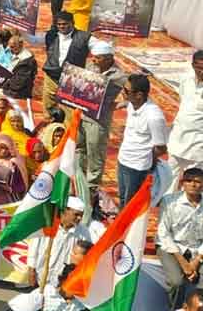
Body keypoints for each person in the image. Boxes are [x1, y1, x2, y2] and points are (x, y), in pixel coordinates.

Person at [80, 40, 126, 191]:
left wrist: (117, 105)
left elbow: (127, 97)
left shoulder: (118, 76)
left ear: (108, 59)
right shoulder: (90, 66)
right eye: (93, 57)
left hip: (98, 121)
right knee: (79, 150)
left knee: (95, 155)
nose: (93, 60)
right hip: (81, 115)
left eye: (97, 58)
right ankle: (78, 180)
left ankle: (91, 188)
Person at [117, 73, 169, 206]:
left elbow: (161, 148)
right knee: (122, 199)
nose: (123, 92)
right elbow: (126, 104)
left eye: (126, 91)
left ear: (139, 95)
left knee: (131, 204)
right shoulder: (133, 104)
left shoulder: (154, 117)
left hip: (137, 167)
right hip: (123, 159)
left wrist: (148, 159)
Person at [158, 168, 203, 309]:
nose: (193, 184)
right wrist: (183, 263)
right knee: (176, 282)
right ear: (182, 183)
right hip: (171, 247)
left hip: (198, 248)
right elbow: (163, 233)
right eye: (188, 181)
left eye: (197, 182)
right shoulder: (169, 201)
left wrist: (196, 260)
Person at [25, 196, 90, 288]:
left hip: (64, 281)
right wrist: (31, 270)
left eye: (81, 215)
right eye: (76, 214)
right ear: (65, 211)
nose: (79, 218)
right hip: (42, 277)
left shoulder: (83, 232)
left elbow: (87, 254)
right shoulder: (47, 224)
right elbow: (34, 249)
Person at [41, 12, 93, 115]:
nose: (62, 26)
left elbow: (100, 48)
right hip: (51, 76)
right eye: (59, 24)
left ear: (72, 23)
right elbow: (35, 40)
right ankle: (50, 123)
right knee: (48, 106)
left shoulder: (84, 37)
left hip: (71, 78)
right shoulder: (51, 35)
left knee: (69, 109)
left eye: (65, 24)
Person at [167, 50, 203, 190]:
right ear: (193, 65)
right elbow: (184, 100)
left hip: (197, 146)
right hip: (178, 139)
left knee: (192, 185)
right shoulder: (186, 79)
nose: (201, 72)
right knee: (169, 179)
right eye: (198, 68)